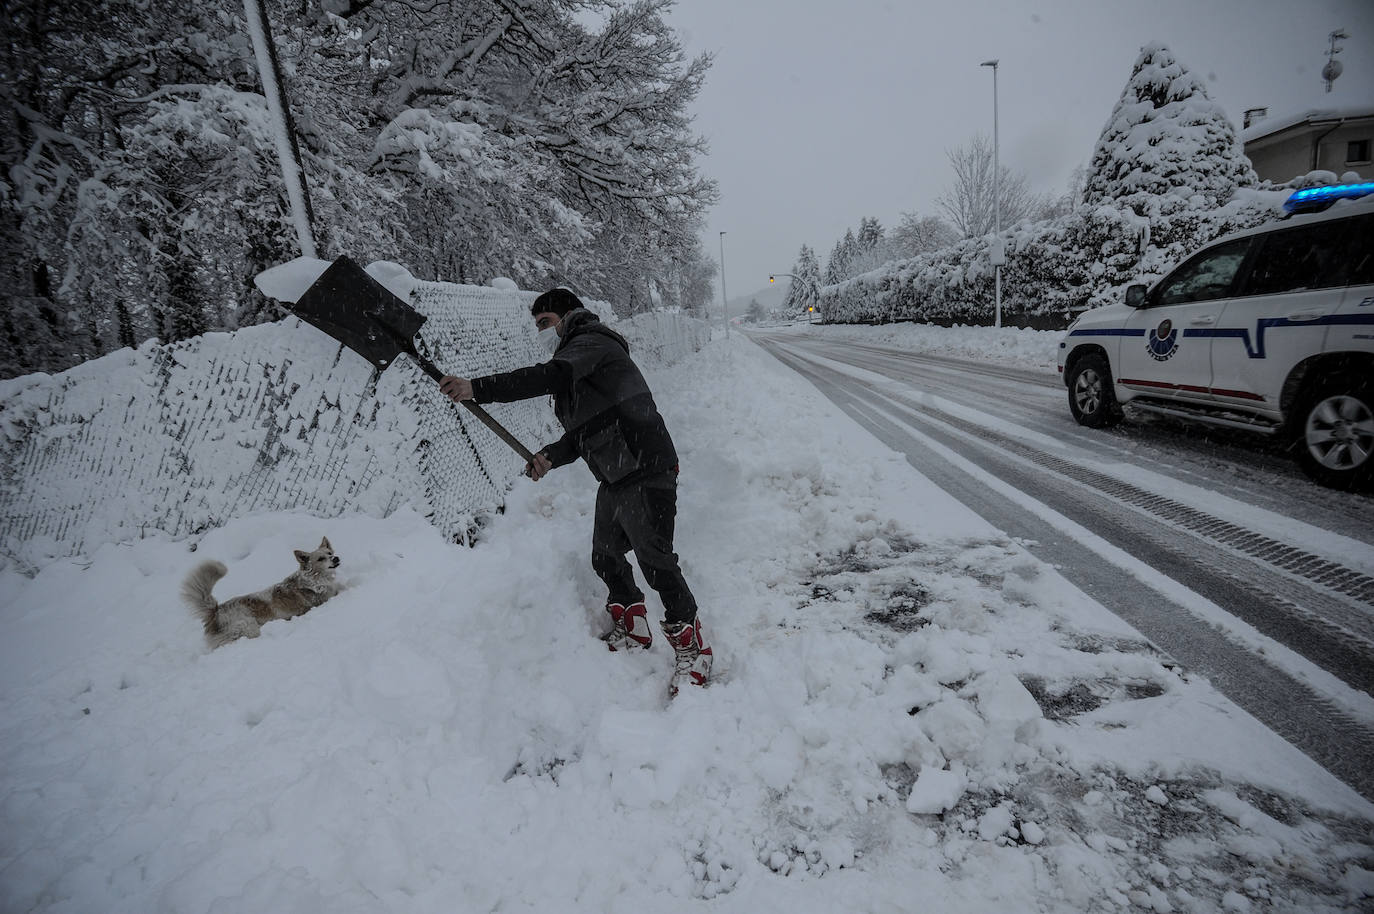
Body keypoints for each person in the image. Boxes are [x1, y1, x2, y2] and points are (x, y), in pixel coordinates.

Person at [438, 288, 712, 695]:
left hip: (647, 466)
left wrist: (477, 387)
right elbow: (587, 430)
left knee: (655, 559)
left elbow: (546, 375)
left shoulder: (590, 343)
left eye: (544, 323)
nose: (542, 332)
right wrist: (551, 455)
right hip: (618, 473)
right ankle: (633, 626)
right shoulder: (578, 360)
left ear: (567, 316)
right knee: (605, 555)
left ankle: (694, 648)